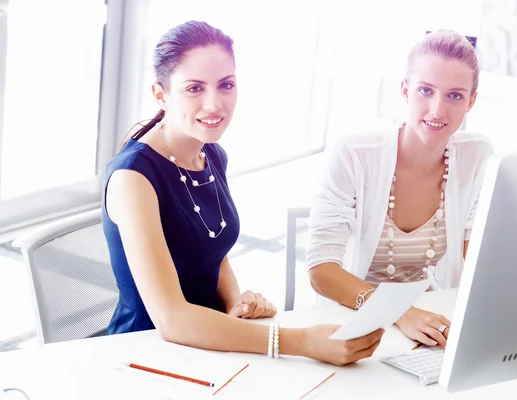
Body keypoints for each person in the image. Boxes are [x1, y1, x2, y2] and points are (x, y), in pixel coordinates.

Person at [102, 20, 383, 366]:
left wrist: (238, 302)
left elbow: (212, 252)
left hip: (210, 341)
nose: (214, 104)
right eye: (194, 88)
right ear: (161, 94)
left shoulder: (211, 154)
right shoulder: (134, 176)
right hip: (145, 353)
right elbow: (171, 319)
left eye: (226, 85)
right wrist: (299, 342)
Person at [306, 29, 493, 349]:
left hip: (432, 323)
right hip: (355, 325)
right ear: (405, 90)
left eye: (455, 95)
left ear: (471, 101)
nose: (437, 110)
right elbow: (321, 271)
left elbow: (474, 262)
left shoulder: (476, 156)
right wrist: (400, 313)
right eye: (425, 90)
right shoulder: (355, 153)